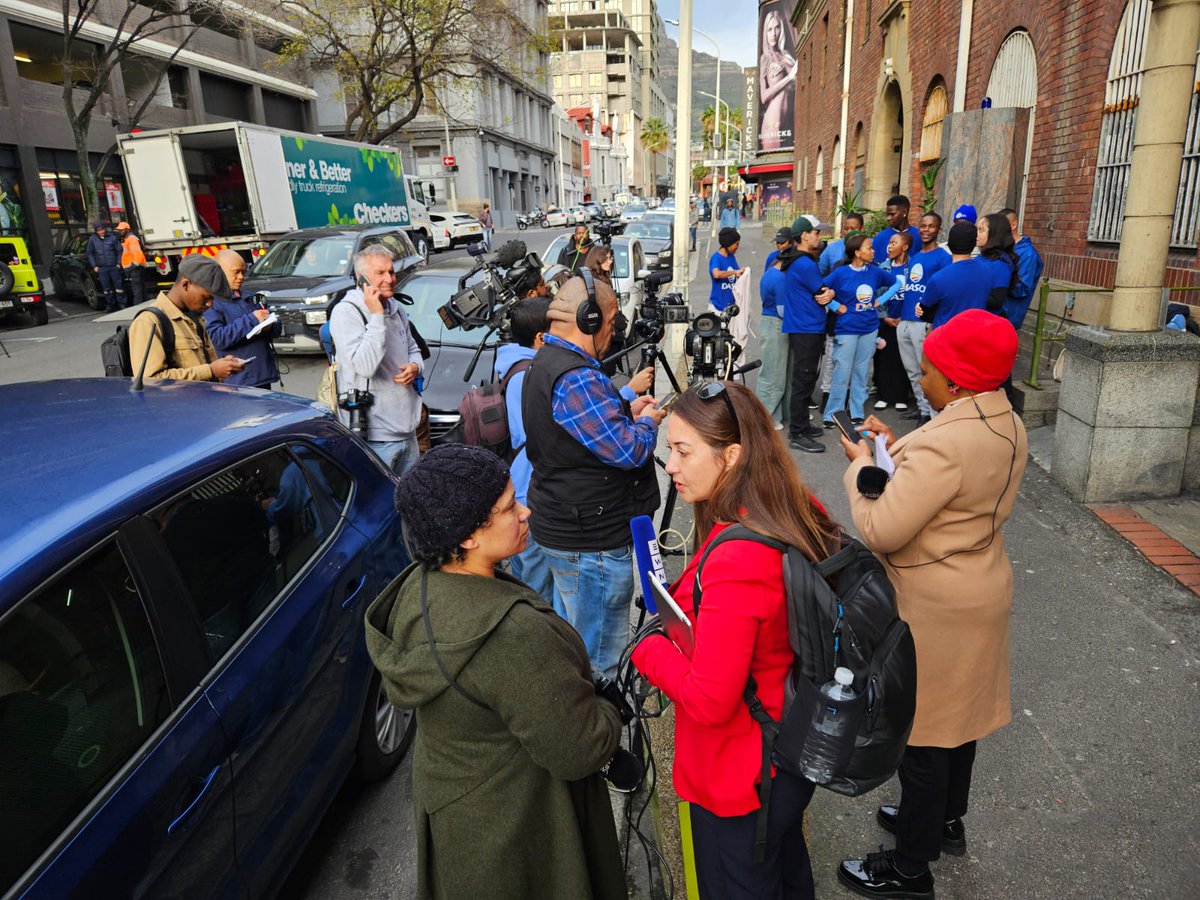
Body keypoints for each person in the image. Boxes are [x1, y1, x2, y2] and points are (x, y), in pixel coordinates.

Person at [364, 444, 627, 900]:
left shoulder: (422, 585)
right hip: (522, 837)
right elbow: (577, 750)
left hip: (461, 826)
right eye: (508, 507)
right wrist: (609, 711)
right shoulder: (512, 636)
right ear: (466, 536)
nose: (525, 510)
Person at [836, 309, 1027, 900]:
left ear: (959, 380)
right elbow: (951, 475)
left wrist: (863, 468)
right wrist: (898, 449)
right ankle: (943, 820)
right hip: (980, 584)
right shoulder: (1004, 419)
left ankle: (910, 866)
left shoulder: (948, 440)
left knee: (923, 734)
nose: (920, 378)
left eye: (931, 370)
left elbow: (883, 528)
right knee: (960, 722)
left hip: (936, 602)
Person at [632, 382, 841, 900]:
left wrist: (648, 646)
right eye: (669, 450)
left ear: (732, 455)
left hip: (742, 771)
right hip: (787, 742)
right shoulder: (787, 504)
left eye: (682, 451)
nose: (670, 464)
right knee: (786, 868)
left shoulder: (739, 558)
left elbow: (709, 698)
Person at [522, 274, 665, 677]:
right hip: (591, 542)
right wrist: (649, 422)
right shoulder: (577, 377)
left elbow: (580, 429)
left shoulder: (544, 361)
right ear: (589, 318)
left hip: (565, 527)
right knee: (601, 657)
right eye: (612, 317)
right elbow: (629, 450)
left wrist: (624, 412)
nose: (614, 328)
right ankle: (600, 730)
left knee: (575, 635)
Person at [329, 244, 424, 474]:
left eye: (391, 271)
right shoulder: (346, 313)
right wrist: (377, 316)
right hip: (376, 438)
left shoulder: (397, 308)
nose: (389, 279)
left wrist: (415, 366)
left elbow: (413, 348)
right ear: (362, 280)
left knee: (411, 503)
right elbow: (365, 365)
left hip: (407, 430)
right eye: (380, 273)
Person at [821, 233, 902, 426]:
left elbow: (897, 282)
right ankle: (832, 413)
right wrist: (835, 306)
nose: (873, 251)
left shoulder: (875, 271)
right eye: (869, 248)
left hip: (869, 329)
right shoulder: (840, 273)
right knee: (842, 371)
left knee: (861, 371)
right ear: (857, 252)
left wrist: (880, 300)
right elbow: (820, 291)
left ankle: (856, 411)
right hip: (846, 329)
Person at [127, 255, 245, 382]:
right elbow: (150, 381)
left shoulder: (194, 317)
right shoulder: (148, 322)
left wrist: (221, 365)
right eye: (206, 297)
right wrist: (210, 370)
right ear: (186, 285)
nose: (210, 304)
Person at [782, 216, 839, 453]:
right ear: (804, 236)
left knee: (805, 379)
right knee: (803, 380)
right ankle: (797, 432)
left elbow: (822, 292)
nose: (819, 236)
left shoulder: (800, 261)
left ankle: (803, 425)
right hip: (806, 328)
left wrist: (829, 293)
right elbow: (821, 291)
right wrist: (832, 292)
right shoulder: (804, 263)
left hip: (805, 327)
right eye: (816, 232)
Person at [896, 214, 952, 424]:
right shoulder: (915, 256)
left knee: (925, 370)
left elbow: (944, 291)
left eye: (931, 226)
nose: (926, 229)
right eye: (923, 226)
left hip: (923, 324)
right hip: (905, 320)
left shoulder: (943, 258)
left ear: (938, 229)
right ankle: (921, 408)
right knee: (911, 370)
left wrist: (932, 322)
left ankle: (930, 412)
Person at [204, 248, 280, 389]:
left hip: (263, 376)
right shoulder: (211, 303)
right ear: (219, 272)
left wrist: (271, 325)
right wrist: (252, 320)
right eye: (236, 272)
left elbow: (276, 329)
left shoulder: (253, 297)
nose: (241, 277)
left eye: (243, 272)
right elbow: (216, 339)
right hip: (237, 381)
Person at [754, 227, 795, 429]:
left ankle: (777, 415)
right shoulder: (780, 279)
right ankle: (767, 417)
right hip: (776, 325)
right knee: (774, 374)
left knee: (776, 371)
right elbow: (782, 310)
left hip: (769, 323)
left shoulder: (770, 272)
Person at [915, 222, 988, 329]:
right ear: (974, 245)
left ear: (949, 244)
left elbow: (924, 312)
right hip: (976, 336)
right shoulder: (987, 271)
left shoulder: (939, 278)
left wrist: (919, 308)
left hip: (945, 337)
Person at [874, 231, 914, 410]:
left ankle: (900, 396)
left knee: (902, 358)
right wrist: (884, 317)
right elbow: (876, 295)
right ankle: (883, 395)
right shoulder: (883, 268)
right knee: (884, 358)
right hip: (887, 319)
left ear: (904, 247)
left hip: (905, 320)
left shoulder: (913, 267)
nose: (889, 246)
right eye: (889, 242)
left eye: (894, 242)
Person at [998, 207, 1044, 331]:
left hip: (1008, 317)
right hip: (995, 314)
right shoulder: (1002, 249)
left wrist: (999, 278)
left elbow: (1022, 289)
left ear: (1013, 225)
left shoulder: (1028, 254)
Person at [872, 196, 921, 264]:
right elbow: (875, 265)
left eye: (892, 214)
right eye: (888, 215)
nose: (888, 218)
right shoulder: (880, 237)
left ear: (904, 212)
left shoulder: (918, 236)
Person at [86, 221, 123, 311]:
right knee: (106, 288)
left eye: (102, 229)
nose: (101, 231)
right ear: (96, 231)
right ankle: (110, 305)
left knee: (119, 286)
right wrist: (94, 265)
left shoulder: (112, 238)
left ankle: (122, 304)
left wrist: (118, 263)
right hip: (102, 268)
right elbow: (90, 253)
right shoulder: (92, 239)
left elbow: (119, 251)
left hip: (114, 266)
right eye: (99, 230)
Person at [710, 227, 746, 312]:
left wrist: (742, 271)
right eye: (736, 244)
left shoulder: (731, 257)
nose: (737, 247)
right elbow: (716, 274)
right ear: (729, 243)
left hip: (731, 308)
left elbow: (737, 273)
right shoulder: (716, 258)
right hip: (718, 308)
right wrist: (735, 272)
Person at [115, 222, 147, 308]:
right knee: (140, 289)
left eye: (121, 230)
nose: (119, 231)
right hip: (135, 268)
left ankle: (138, 308)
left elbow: (137, 255)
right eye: (119, 230)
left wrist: (133, 267)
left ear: (127, 229)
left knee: (137, 290)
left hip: (136, 269)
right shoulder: (127, 239)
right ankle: (143, 307)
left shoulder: (131, 239)